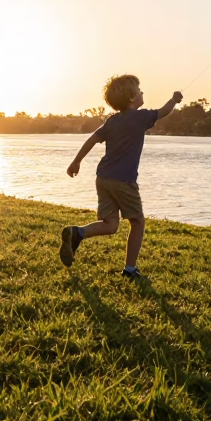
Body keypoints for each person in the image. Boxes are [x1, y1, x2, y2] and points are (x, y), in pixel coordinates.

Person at [60, 74, 182, 279]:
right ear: (132, 98)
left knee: (110, 224)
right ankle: (130, 270)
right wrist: (174, 99)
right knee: (137, 222)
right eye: (140, 90)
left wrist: (76, 161)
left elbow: (92, 139)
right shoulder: (140, 117)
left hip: (103, 178)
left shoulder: (112, 121)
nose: (143, 92)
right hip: (123, 181)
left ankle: (77, 233)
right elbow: (163, 112)